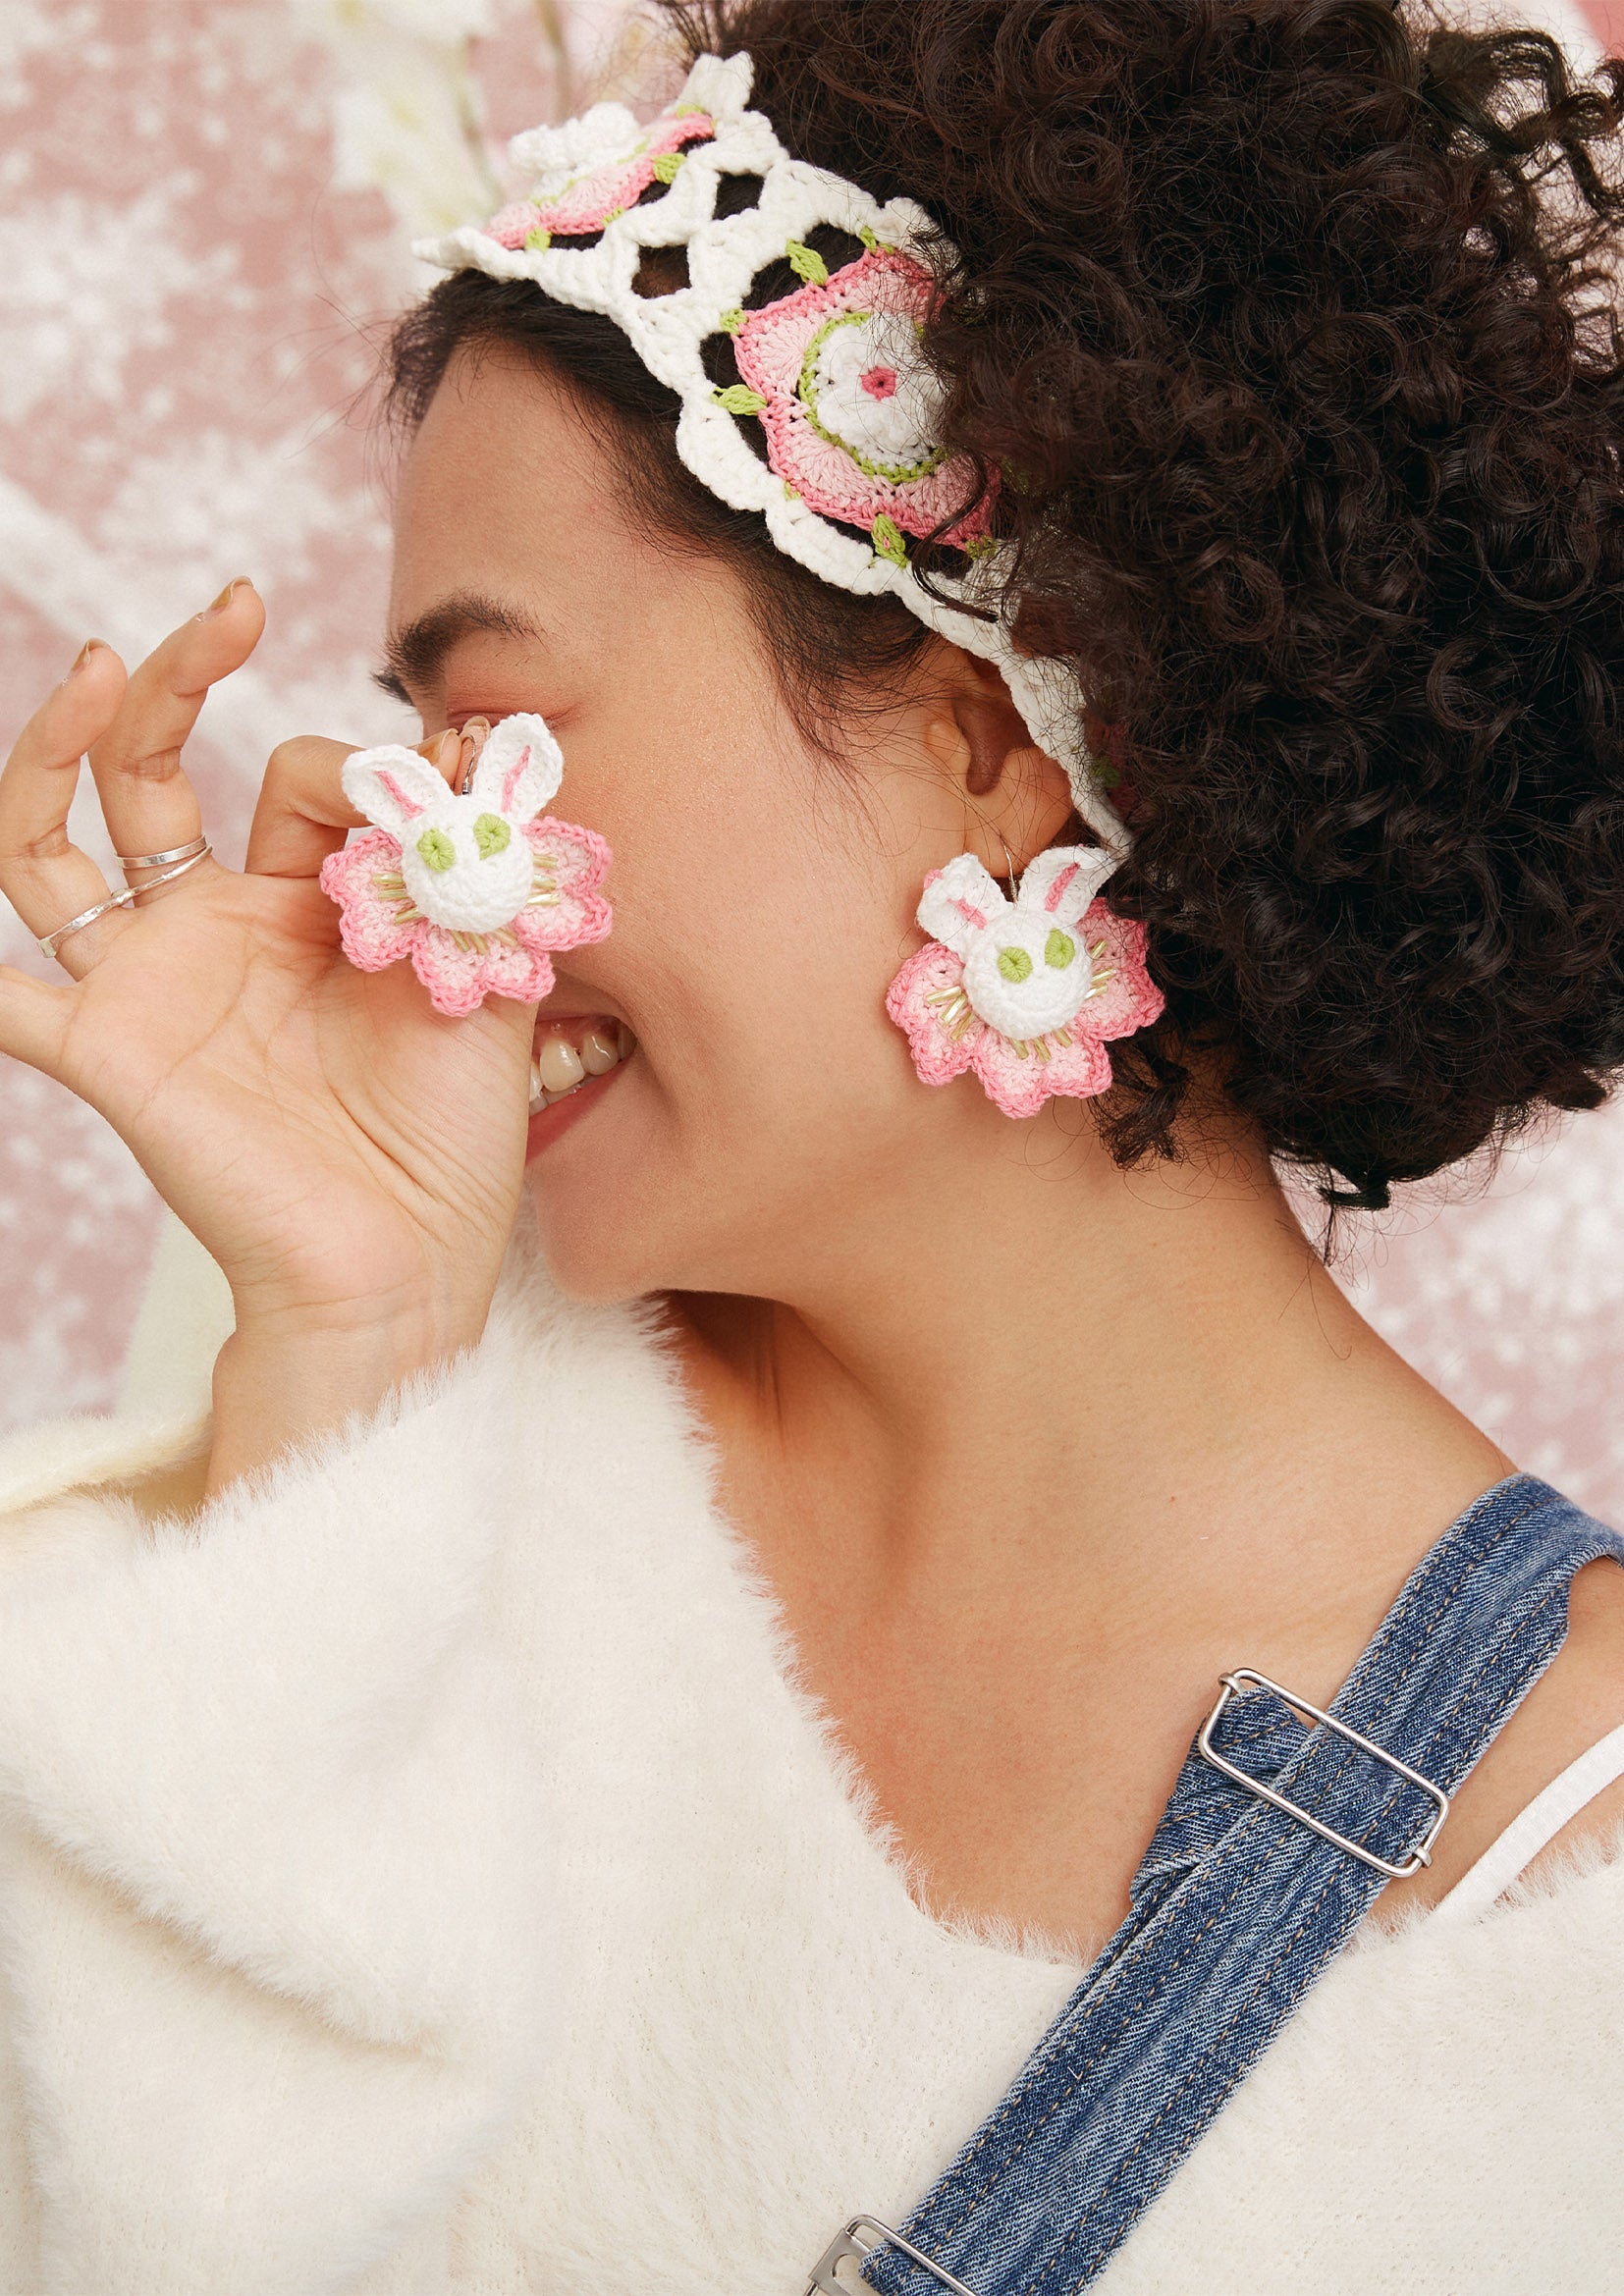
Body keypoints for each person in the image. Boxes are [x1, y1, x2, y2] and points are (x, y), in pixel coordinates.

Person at [1, 2, 1622, 2289]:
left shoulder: (1574, 1904)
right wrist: (335, 1367)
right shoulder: (375, 1383)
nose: (402, 847)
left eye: (486, 717)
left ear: (987, 734)